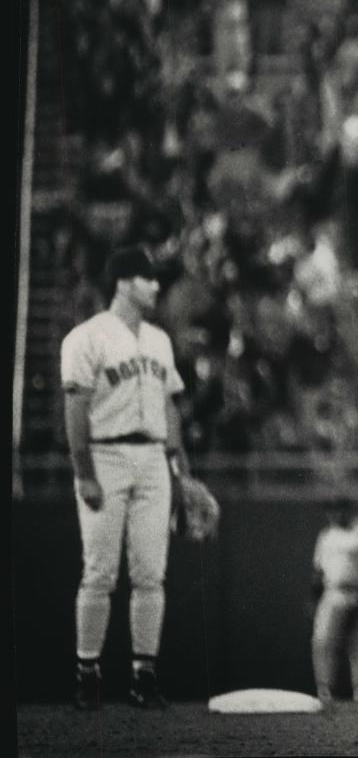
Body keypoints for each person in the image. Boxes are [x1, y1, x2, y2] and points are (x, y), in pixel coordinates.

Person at [61, 246, 193, 710]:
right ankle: (88, 674)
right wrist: (84, 472)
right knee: (99, 573)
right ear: (123, 282)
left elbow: (170, 405)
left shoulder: (159, 340)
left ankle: (144, 676)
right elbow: (75, 406)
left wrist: (180, 471)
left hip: (153, 457)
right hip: (106, 454)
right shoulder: (88, 336)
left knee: (151, 574)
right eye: (148, 277)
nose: (156, 286)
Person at [311, 495, 358, 704]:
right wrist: (313, 597)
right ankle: (324, 690)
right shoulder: (327, 534)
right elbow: (318, 568)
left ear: (348, 510)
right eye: (331, 510)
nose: (333, 514)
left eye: (337, 509)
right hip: (332, 592)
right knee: (322, 641)